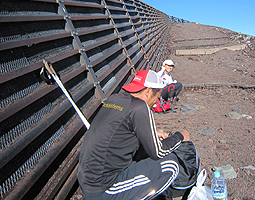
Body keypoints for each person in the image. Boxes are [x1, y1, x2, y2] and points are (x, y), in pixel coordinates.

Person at [77, 69, 190, 200]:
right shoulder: (140, 107)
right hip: (104, 188)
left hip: (87, 180)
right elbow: (158, 152)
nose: (156, 102)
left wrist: (154, 133)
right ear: (148, 91)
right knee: (170, 164)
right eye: (157, 96)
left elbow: (119, 129)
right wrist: (179, 136)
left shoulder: (115, 99)